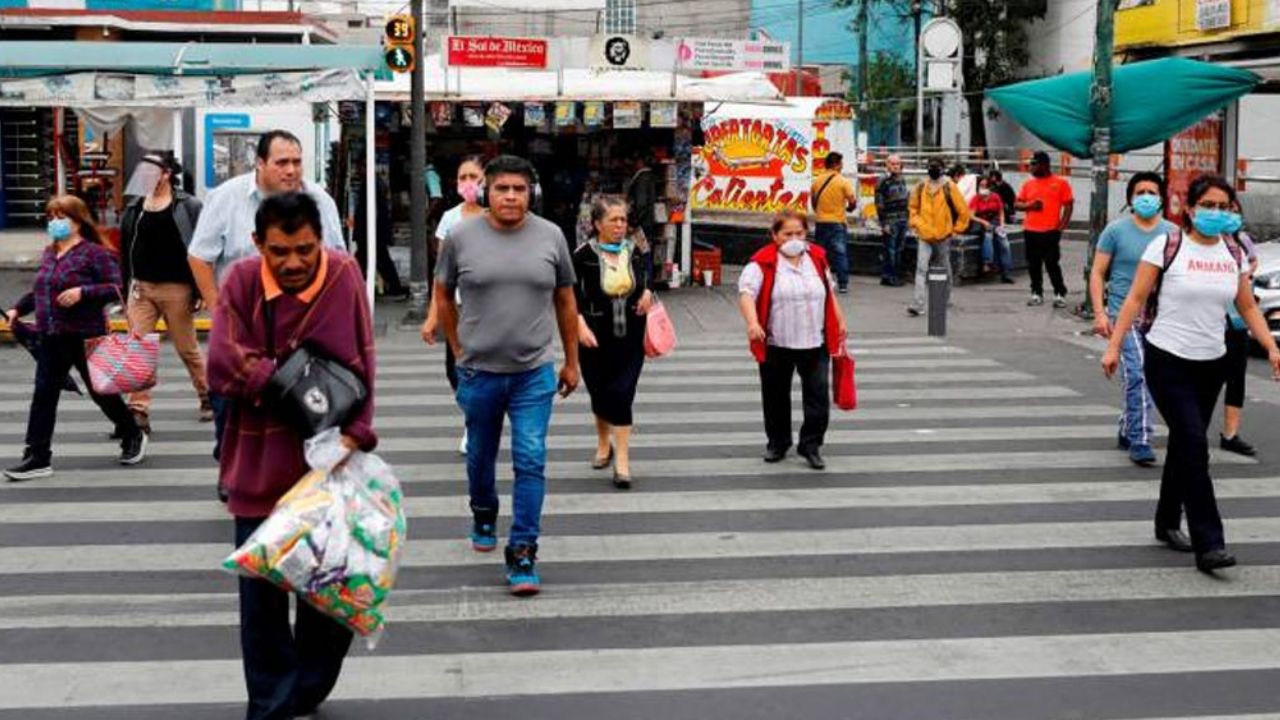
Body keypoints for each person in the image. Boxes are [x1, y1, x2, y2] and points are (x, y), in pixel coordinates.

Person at [207, 192, 376, 720]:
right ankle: (271, 704)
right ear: (258, 244)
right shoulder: (240, 281)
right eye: (279, 251)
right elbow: (223, 363)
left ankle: (306, 688)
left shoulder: (343, 275)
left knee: (328, 595)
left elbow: (362, 359)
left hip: (328, 462)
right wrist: (292, 379)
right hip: (258, 459)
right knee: (261, 601)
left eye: (305, 249)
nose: (294, 262)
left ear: (320, 240)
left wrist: (359, 431)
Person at [1102, 175, 1280, 573]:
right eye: (1209, 205)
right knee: (1195, 444)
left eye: (1224, 207)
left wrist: (1271, 346)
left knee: (1186, 443)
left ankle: (1166, 521)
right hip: (1167, 359)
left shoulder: (1232, 252)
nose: (1217, 213)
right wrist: (1113, 345)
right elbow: (1134, 298)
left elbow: (1247, 306)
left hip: (1212, 362)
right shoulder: (1167, 246)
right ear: (1189, 208)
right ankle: (1210, 543)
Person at [434, 154, 580, 597]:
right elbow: (443, 295)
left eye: (519, 189)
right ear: (487, 192)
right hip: (478, 372)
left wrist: (571, 361)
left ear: (531, 193)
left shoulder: (551, 235)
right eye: (502, 189)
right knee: (480, 455)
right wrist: (458, 350)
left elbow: (566, 302)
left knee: (531, 458)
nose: (511, 197)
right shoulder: (460, 236)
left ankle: (522, 550)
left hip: (533, 372)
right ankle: (483, 511)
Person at [189, 129, 348, 474]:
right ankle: (232, 465)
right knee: (230, 413)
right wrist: (218, 311)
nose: (291, 171)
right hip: (242, 331)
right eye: (282, 163)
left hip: (302, 335)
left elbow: (338, 261)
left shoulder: (320, 201)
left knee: (305, 421)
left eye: (297, 162)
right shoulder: (227, 198)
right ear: (260, 164)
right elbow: (199, 256)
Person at [4, 195, 148, 481]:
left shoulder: (95, 253)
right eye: (50, 217)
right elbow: (41, 289)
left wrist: (83, 292)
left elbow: (116, 288)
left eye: (61, 217)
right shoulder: (50, 252)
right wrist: (18, 308)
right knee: (43, 395)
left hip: (85, 335)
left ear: (78, 220)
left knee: (101, 393)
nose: (54, 222)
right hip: (51, 335)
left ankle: (132, 432)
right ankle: (37, 456)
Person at [737, 209, 848, 471]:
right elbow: (746, 294)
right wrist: (752, 323)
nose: (794, 239)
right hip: (777, 341)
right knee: (775, 397)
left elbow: (829, 293)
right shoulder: (761, 263)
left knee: (818, 397)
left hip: (815, 341)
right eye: (787, 234)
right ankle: (778, 443)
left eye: (799, 233)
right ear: (775, 235)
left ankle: (811, 445)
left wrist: (840, 322)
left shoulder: (817, 258)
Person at [1089, 171, 1177, 467]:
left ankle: (1129, 426)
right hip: (1122, 315)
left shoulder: (1172, 234)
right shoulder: (1115, 231)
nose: (1146, 197)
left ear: (1161, 198)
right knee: (1139, 373)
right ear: (1130, 198)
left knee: (1152, 376)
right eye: (1140, 192)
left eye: (1152, 192)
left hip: (1160, 317)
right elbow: (1098, 272)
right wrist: (1100, 313)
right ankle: (1140, 438)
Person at [119, 153, 210, 431]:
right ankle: (138, 408)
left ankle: (208, 396)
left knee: (187, 349)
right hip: (142, 289)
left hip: (177, 289)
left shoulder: (188, 206)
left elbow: (202, 247)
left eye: (150, 169)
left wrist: (201, 289)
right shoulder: (135, 206)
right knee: (139, 349)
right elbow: (125, 250)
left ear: (166, 173)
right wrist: (124, 286)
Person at [574, 196, 653, 489]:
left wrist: (647, 292)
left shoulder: (634, 250)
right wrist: (579, 325)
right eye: (613, 220)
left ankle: (622, 461)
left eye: (623, 220)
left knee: (622, 393)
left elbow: (646, 276)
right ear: (598, 224)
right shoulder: (583, 255)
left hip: (630, 333)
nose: (620, 226)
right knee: (599, 391)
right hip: (594, 335)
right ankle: (602, 442)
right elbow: (570, 296)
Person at [421, 155, 487, 455]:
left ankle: (478, 424)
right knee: (455, 369)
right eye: (463, 178)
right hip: (457, 310)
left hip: (488, 309)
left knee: (484, 369)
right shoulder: (450, 218)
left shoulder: (494, 216)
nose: (468, 183)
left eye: (474, 177)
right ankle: (474, 417)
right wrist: (432, 316)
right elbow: (441, 274)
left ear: (485, 181)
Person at [906, 158, 971, 318]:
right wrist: (917, 223)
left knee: (944, 269)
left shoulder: (950, 186)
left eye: (936, 167)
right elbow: (913, 207)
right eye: (931, 167)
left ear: (942, 169)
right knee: (921, 269)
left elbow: (963, 211)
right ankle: (918, 304)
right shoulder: (921, 186)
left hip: (943, 235)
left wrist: (956, 229)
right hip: (925, 234)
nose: (933, 169)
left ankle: (944, 299)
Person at [1220, 200, 1260, 457]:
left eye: (1235, 211)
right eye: (1226, 210)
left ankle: (1230, 433)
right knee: (1203, 379)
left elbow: (1254, 262)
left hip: (1237, 321)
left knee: (1236, 378)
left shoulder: (1242, 241)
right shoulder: (1203, 242)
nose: (1230, 215)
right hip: (1209, 321)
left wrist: (1244, 272)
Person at [1017, 151, 1075, 308]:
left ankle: (1060, 293)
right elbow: (1017, 204)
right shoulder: (1028, 184)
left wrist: (1061, 226)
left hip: (1050, 231)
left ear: (1044, 165)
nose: (1030, 167)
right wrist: (1029, 205)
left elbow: (1068, 205)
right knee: (1033, 264)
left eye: (1033, 164)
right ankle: (1036, 293)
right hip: (1031, 230)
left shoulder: (1060, 183)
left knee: (1051, 263)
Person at [353, 174, 407, 298]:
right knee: (374, 259)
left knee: (375, 259)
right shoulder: (376, 182)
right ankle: (394, 287)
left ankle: (394, 287)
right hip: (372, 231)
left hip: (371, 231)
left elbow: (369, 209)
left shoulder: (370, 183)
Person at [811, 152, 857, 293]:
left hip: (821, 222)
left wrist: (821, 212)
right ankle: (842, 284)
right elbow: (852, 201)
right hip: (837, 222)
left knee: (820, 253)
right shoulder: (842, 181)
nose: (842, 166)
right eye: (841, 163)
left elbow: (813, 202)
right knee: (840, 253)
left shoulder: (817, 181)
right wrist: (849, 208)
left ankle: (818, 280)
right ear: (836, 164)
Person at [968, 175, 1013, 283]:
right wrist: (984, 222)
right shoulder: (976, 198)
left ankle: (1006, 272)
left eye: (985, 185)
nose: (983, 187)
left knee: (1004, 244)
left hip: (995, 222)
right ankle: (987, 263)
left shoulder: (995, 197)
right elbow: (971, 215)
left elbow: (1001, 212)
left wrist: (1002, 224)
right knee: (988, 236)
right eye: (981, 185)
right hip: (982, 222)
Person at [874, 154, 910, 286]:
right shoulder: (883, 181)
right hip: (890, 220)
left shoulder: (902, 179)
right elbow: (879, 204)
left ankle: (893, 275)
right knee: (890, 250)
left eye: (898, 164)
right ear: (887, 165)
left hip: (902, 219)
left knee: (899, 249)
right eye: (893, 164)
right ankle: (889, 276)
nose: (896, 166)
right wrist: (884, 223)